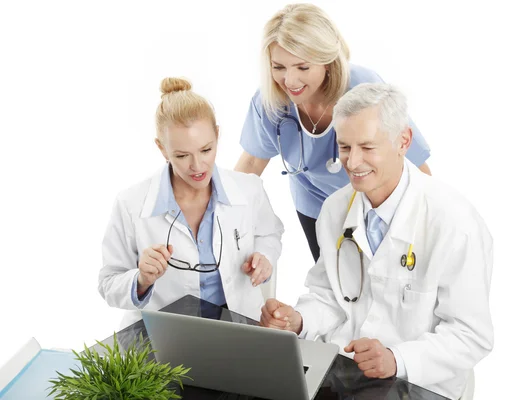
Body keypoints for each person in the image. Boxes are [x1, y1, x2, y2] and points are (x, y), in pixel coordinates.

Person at [260, 83, 493, 400]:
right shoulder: (335, 210)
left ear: (403, 141)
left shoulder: (454, 221)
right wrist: (298, 320)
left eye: (367, 147)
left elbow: (470, 335)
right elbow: (329, 295)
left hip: (421, 385)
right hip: (346, 373)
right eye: (344, 147)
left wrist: (397, 359)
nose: (353, 162)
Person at [235, 3, 432, 262]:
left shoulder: (364, 87)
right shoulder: (269, 102)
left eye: (302, 67)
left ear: (327, 61)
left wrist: (432, 218)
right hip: (314, 203)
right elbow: (251, 161)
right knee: (332, 280)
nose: (289, 81)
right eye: (279, 67)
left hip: (372, 198)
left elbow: (414, 159)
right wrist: (220, 213)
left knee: (384, 279)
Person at [99, 77, 284, 327]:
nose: (197, 166)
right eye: (182, 155)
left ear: (218, 135)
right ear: (162, 149)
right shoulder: (131, 204)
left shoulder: (249, 189)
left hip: (237, 329)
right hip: (164, 337)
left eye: (206, 150)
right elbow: (108, 282)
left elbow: (269, 234)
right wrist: (141, 280)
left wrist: (264, 257)